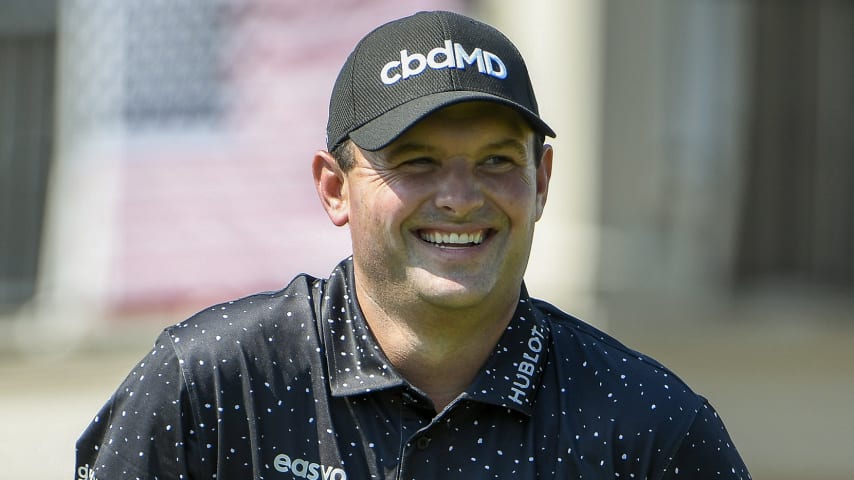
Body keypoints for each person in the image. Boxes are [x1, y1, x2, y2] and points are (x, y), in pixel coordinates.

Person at [76, 10, 751, 480]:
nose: (460, 197)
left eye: (495, 162)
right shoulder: (208, 386)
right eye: (418, 162)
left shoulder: (653, 425)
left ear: (541, 182)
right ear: (335, 187)